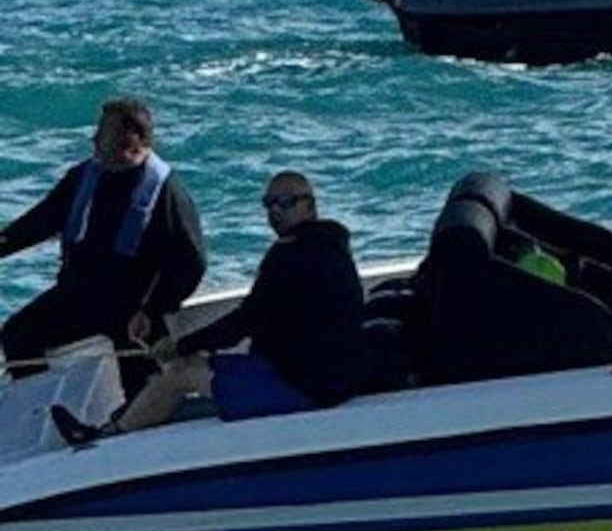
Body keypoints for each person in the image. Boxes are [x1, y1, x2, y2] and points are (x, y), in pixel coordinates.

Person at [51, 171, 374, 446]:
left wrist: (178, 345)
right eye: (269, 204)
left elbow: (246, 319)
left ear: (310, 206)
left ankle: (106, 440)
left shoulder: (291, 255)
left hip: (303, 387)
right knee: (190, 366)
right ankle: (138, 417)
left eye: (286, 203)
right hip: (312, 373)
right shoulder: (330, 246)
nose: (275, 211)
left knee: (180, 374)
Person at [1, 96, 206, 394]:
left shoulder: (167, 192)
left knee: (141, 377)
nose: (94, 139)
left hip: (134, 308)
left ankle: (138, 425)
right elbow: (37, 224)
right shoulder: (82, 178)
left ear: (131, 139)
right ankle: (41, 407)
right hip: (78, 297)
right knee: (19, 334)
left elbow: (191, 262)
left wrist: (152, 309)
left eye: (104, 132)